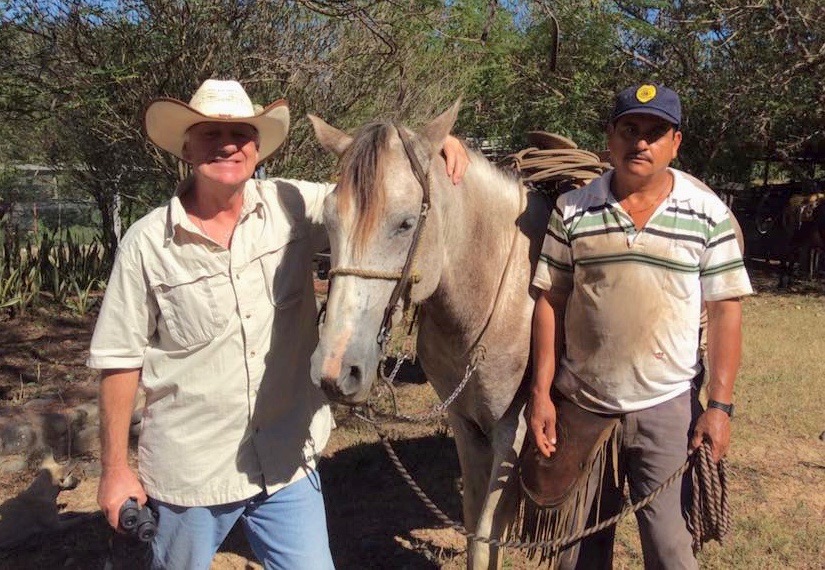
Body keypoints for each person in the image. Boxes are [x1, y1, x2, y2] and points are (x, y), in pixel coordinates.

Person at [87, 79, 468, 569]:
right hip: (193, 474)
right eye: (209, 134)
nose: (227, 146)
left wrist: (426, 150)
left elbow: (378, 194)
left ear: (257, 148)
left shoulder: (293, 204)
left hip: (286, 463)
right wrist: (115, 469)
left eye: (241, 135)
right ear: (186, 149)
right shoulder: (145, 245)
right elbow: (119, 361)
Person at [527, 83, 753, 568]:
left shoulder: (707, 214)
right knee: (575, 553)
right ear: (610, 136)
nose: (641, 142)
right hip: (583, 404)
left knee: (670, 549)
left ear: (676, 143)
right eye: (630, 129)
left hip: (667, 406)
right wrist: (542, 394)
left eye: (656, 132)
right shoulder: (572, 209)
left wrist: (719, 407)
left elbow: (725, 310)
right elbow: (550, 299)